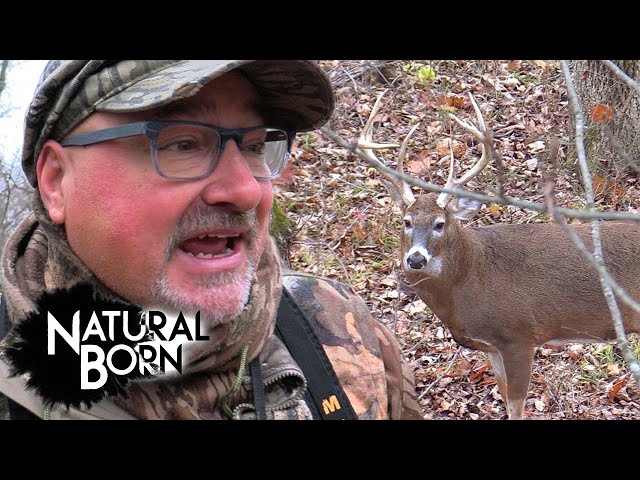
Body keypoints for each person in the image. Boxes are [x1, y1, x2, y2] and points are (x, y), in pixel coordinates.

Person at [0, 60, 423, 420]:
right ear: (56, 181)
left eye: (255, 146)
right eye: (181, 144)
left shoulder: (337, 327)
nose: (246, 191)